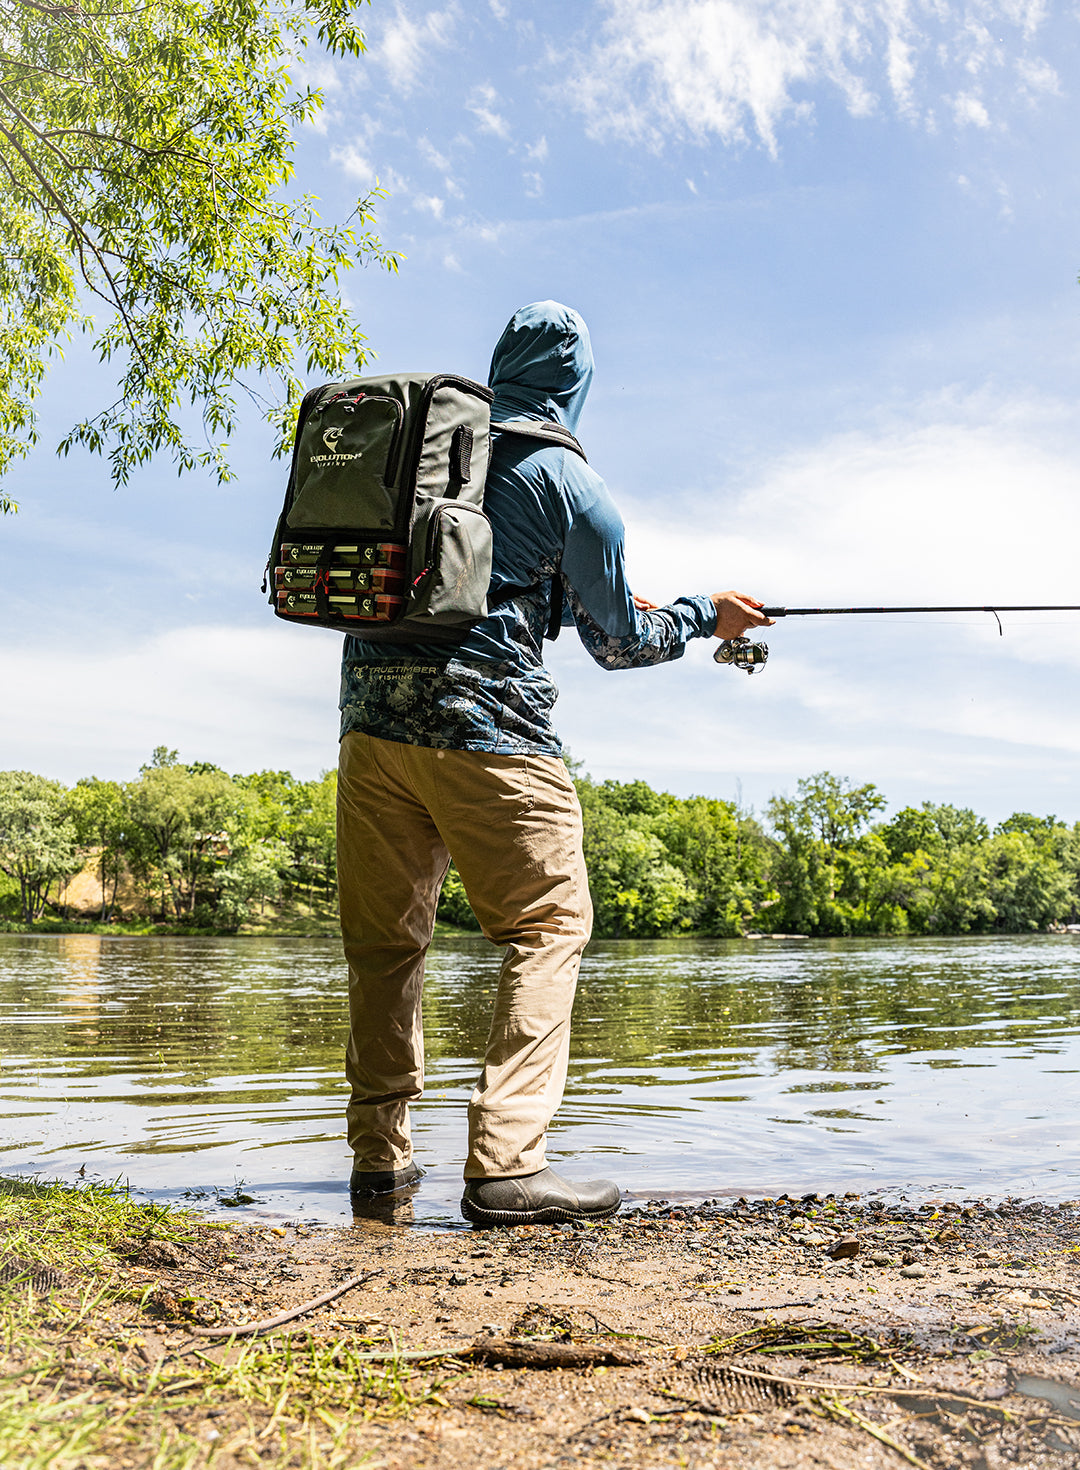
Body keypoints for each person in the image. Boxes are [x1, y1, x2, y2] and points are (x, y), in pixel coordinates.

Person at [337, 300, 772, 1226]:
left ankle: (379, 1162)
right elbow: (620, 644)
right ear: (577, 383)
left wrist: (572, 600)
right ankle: (505, 1163)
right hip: (490, 734)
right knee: (548, 925)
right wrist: (704, 615)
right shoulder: (568, 481)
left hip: (370, 729)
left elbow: (487, 588)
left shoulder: (432, 454)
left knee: (385, 946)